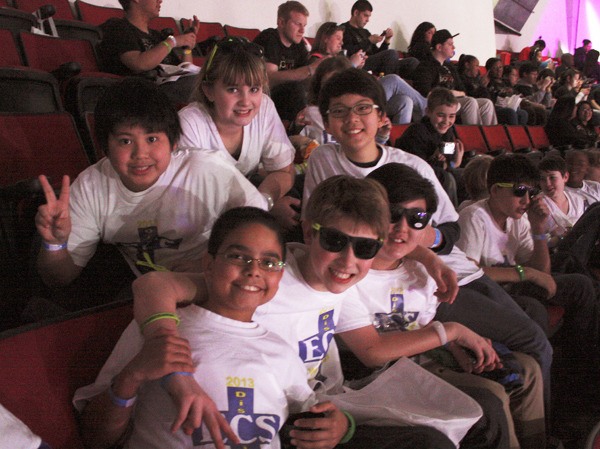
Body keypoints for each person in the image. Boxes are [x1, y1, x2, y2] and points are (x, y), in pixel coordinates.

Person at [127, 176, 460, 449]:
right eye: (333, 241)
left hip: (322, 403)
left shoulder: (344, 281)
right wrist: (177, 372)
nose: (347, 260)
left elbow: (393, 243)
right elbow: (155, 285)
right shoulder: (267, 279)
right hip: (281, 417)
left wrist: (431, 259)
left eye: (364, 248)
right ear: (307, 233)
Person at [302, 68, 554, 410]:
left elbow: (450, 232)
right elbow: (313, 229)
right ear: (327, 121)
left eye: (362, 109)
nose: (352, 120)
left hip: (449, 275)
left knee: (533, 333)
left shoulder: (411, 165)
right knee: (525, 345)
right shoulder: (322, 160)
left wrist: (418, 246)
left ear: (381, 116)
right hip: (403, 286)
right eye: (339, 111)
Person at [73, 207, 329, 448]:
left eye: (269, 262)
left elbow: (313, 418)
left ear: (280, 276)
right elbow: (95, 438)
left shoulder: (281, 351)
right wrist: (131, 377)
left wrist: (338, 426)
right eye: (238, 256)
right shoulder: (163, 325)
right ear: (209, 263)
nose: (254, 270)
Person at [348, 163, 545, 449]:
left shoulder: (421, 270)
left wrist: (454, 348)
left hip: (425, 356)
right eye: (391, 215)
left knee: (527, 369)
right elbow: (372, 353)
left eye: (416, 218)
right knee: (491, 396)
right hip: (383, 375)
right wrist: (451, 333)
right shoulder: (348, 269)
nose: (402, 228)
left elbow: (421, 323)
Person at [34, 78, 266, 300]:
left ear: (173, 143)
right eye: (125, 141)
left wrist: (210, 263)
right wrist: (55, 243)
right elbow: (59, 278)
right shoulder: (90, 188)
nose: (140, 154)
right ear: (105, 146)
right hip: (150, 295)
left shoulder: (206, 169)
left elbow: (261, 228)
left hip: (220, 282)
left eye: (152, 139)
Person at [456, 154, 600, 371]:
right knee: (535, 308)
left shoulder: (519, 219)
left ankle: (577, 361)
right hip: (491, 294)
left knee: (581, 284)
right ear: (495, 190)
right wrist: (525, 273)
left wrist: (538, 229)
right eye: (519, 192)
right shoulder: (474, 217)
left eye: (531, 193)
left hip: (516, 286)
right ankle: (546, 368)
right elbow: (469, 274)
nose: (526, 201)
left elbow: (543, 272)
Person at [175, 37, 298, 230]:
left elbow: (284, 171)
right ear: (208, 91)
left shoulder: (264, 106)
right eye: (233, 89)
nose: (246, 101)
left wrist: (264, 202)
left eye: (254, 89)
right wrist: (256, 214)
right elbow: (190, 201)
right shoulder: (190, 124)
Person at [307, 24, 426, 125]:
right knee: (393, 80)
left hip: (360, 99)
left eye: (342, 39)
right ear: (325, 38)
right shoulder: (317, 60)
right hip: (349, 105)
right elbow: (331, 87)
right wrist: (352, 65)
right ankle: (426, 108)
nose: (341, 42)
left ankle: (395, 144)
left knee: (405, 101)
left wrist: (359, 70)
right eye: (338, 38)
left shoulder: (339, 58)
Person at [98, 0, 200, 105]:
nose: (160, 1)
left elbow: (185, 69)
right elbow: (138, 63)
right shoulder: (117, 27)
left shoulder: (157, 36)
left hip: (170, 89)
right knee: (202, 85)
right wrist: (173, 41)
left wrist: (187, 47)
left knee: (206, 82)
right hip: (140, 95)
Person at [253, 1, 323, 122]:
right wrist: (310, 69)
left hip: (288, 99)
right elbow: (268, 79)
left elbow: (306, 80)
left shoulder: (299, 45)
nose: (302, 30)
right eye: (297, 24)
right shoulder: (269, 38)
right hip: (264, 96)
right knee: (295, 90)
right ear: (281, 22)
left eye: (304, 26)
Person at [410, 29, 497, 126]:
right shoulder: (426, 65)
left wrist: (454, 93)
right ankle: (473, 137)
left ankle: (489, 137)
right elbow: (425, 91)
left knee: (487, 103)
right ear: (439, 47)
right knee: (470, 102)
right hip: (438, 102)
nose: (453, 47)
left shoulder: (450, 67)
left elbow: (463, 90)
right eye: (450, 44)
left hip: (454, 99)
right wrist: (448, 93)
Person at [395, 87, 464, 206]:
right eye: (441, 115)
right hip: (410, 178)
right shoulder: (417, 132)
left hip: (435, 171)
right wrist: (447, 164)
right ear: (428, 112)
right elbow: (418, 167)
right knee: (448, 178)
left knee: (465, 174)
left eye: (451, 116)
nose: (446, 121)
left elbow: (450, 162)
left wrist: (454, 163)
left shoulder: (448, 132)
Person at [341, 0, 418, 78]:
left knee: (412, 62)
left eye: (369, 16)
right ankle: (389, 83)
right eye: (365, 15)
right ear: (356, 13)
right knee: (392, 53)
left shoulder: (365, 32)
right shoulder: (344, 29)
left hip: (374, 63)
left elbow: (378, 54)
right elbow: (348, 52)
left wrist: (386, 41)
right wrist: (368, 41)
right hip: (361, 64)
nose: (368, 20)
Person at [459, 55, 527, 126]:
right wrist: (483, 87)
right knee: (510, 112)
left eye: (500, 67)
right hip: (491, 106)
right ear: (489, 70)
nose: (499, 70)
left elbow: (517, 94)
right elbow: (471, 95)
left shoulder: (505, 82)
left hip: (504, 104)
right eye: (495, 68)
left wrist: (511, 93)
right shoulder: (484, 81)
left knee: (523, 113)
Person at [538, 155, 591, 240]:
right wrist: (553, 236)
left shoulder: (578, 200)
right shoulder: (537, 205)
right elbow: (532, 240)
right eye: (542, 179)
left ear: (565, 177)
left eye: (552, 178)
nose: (547, 183)